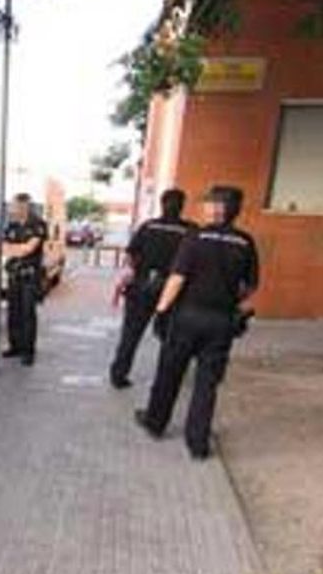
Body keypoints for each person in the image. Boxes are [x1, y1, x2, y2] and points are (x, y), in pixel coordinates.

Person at [135, 185, 259, 460]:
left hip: (187, 318)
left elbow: (177, 278)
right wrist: (227, 297)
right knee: (207, 383)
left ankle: (156, 422)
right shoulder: (246, 242)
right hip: (221, 322)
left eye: (209, 203)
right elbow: (249, 287)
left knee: (170, 372)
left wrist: (162, 309)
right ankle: (198, 443)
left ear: (215, 208)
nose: (206, 207)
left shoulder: (195, 238)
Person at [109, 188, 196, 388]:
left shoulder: (148, 226)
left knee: (130, 334)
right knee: (170, 340)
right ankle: (164, 382)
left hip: (141, 286)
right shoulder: (190, 230)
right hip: (172, 292)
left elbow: (130, 255)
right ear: (182, 206)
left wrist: (131, 273)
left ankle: (118, 375)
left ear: (161, 204)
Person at [1, 193, 47, 365]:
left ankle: (28, 351)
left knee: (27, 313)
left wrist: (17, 249)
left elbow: (28, 249)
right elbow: (4, 248)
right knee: (13, 312)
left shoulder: (38, 224)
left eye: (15, 205)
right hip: (14, 274)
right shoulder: (11, 225)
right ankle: (15, 346)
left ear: (24, 206)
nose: (12, 209)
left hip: (30, 276)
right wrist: (17, 249)